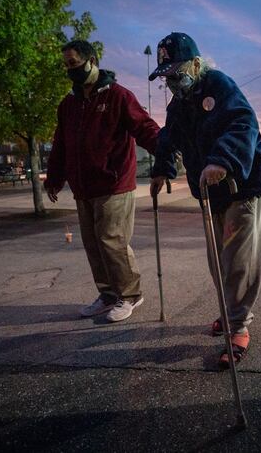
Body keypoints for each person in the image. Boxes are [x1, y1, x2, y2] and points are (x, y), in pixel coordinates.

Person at [148, 32, 261, 368]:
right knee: (217, 259)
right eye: (166, 76)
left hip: (241, 185)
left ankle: (238, 326)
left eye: (176, 72)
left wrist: (222, 159)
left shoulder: (218, 85)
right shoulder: (179, 104)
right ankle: (231, 314)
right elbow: (167, 137)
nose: (172, 81)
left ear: (196, 64)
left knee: (238, 260)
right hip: (208, 191)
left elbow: (243, 122)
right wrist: (161, 169)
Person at [44, 40, 160, 322]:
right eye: (66, 66)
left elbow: (144, 128)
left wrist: (166, 155)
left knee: (112, 240)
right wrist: (55, 178)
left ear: (91, 60)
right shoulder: (69, 104)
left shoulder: (118, 96)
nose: (70, 70)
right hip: (83, 187)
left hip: (114, 184)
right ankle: (108, 294)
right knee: (93, 244)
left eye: (73, 63)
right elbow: (61, 143)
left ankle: (130, 295)